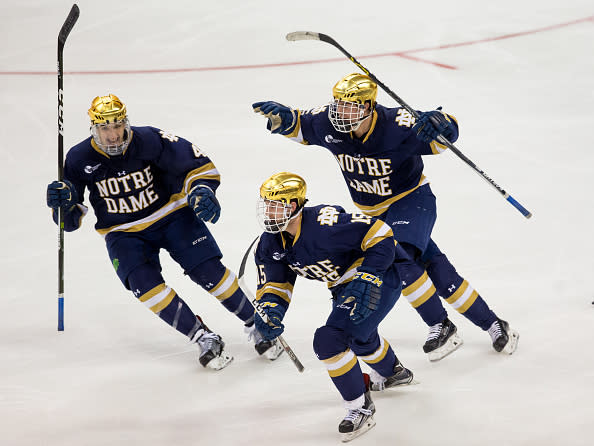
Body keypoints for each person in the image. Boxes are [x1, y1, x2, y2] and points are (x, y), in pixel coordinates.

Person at [252, 73, 519, 361]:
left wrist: (443, 124)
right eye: (339, 104)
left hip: (411, 202)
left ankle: (441, 326)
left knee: (398, 258)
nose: (342, 112)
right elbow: (302, 123)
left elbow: (443, 138)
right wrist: (283, 119)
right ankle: (494, 323)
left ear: (369, 107)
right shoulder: (331, 122)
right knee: (435, 268)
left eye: (351, 107)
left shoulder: (397, 125)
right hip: (374, 216)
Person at [46, 93, 283, 370]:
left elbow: (198, 164)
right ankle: (202, 336)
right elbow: (70, 222)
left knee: (209, 273)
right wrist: (63, 206)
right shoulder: (78, 158)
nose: (112, 135)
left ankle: (257, 324)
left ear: (126, 123)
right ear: (94, 129)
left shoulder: (149, 139)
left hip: (171, 215)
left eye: (117, 126)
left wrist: (201, 191)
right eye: (104, 128)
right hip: (123, 232)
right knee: (145, 288)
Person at [253, 171, 413, 442]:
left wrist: (370, 274)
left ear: (292, 206)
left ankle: (360, 407)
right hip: (344, 286)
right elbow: (275, 286)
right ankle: (393, 372)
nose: (267, 211)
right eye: (265, 204)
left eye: (273, 205)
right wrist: (271, 311)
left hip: (378, 277)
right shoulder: (270, 243)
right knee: (361, 339)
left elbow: (380, 233)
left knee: (330, 341)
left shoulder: (324, 223)